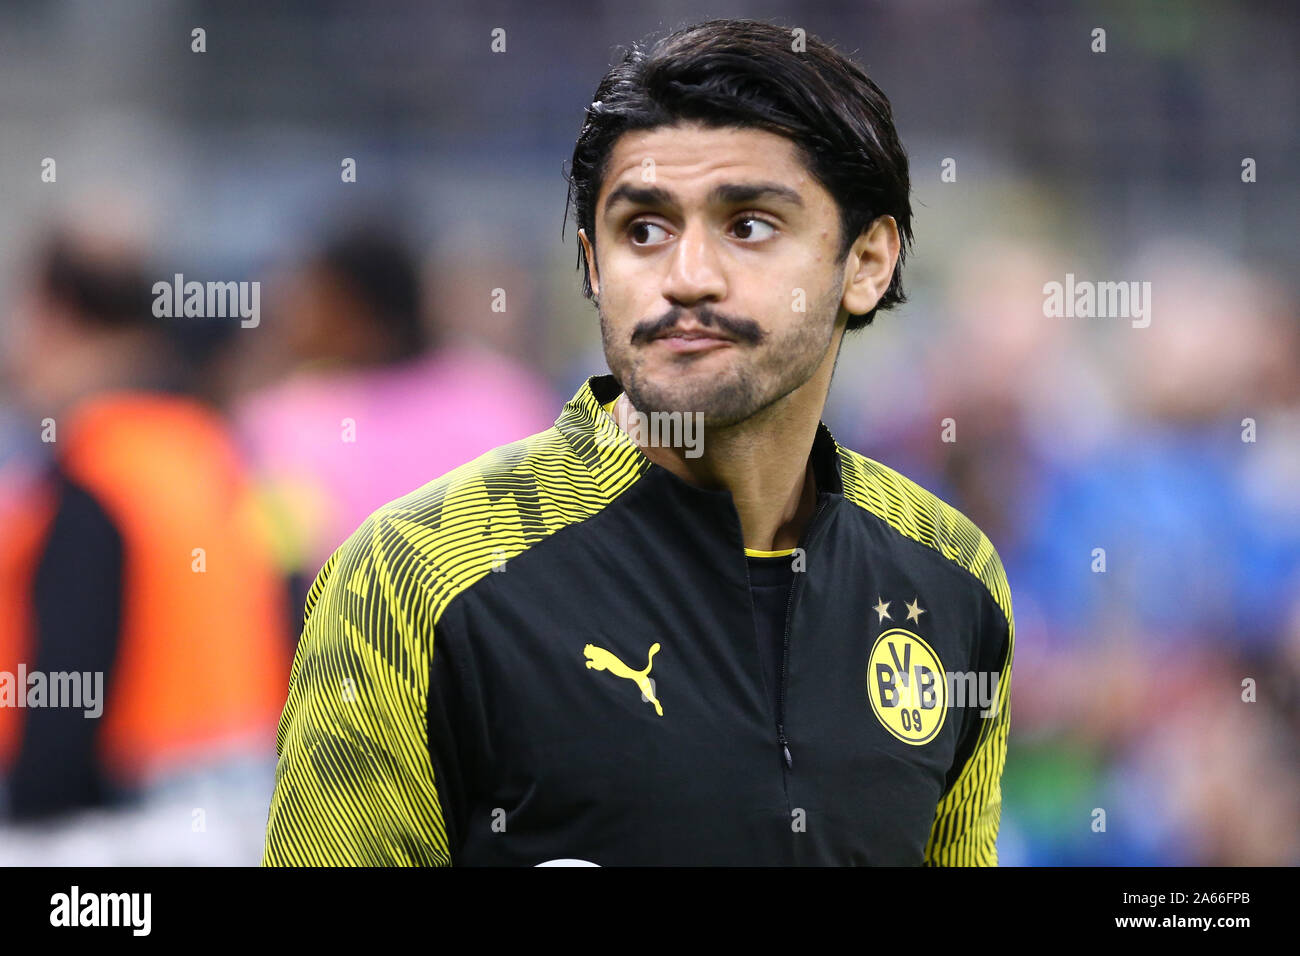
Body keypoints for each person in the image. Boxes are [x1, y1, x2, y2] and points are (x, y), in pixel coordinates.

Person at [263, 18, 1014, 866]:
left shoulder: (952, 577)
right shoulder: (414, 577)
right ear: (592, 264)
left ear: (867, 263)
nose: (686, 276)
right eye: (644, 230)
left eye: (750, 225)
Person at [0, 226, 292, 828]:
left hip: (122, 821)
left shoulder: (99, 470)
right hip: (242, 806)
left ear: (56, 319)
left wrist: (29, 827)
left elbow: (68, 691)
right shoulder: (212, 450)